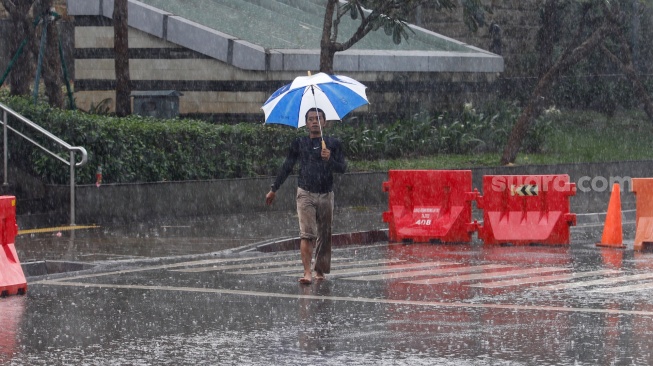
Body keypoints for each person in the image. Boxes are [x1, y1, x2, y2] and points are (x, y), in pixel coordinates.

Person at [265, 107, 347, 284]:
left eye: (318, 118)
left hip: (326, 193)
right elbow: (287, 166)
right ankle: (307, 272)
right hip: (305, 193)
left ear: (324, 122)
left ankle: (320, 270)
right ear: (306, 123)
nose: (314, 122)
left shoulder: (333, 143)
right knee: (307, 234)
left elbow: (343, 168)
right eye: (310, 119)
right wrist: (274, 188)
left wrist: (329, 159)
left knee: (324, 235)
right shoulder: (299, 143)